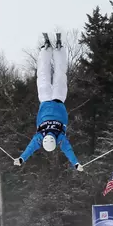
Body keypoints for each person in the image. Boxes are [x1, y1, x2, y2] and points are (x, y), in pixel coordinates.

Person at [14, 33, 82, 171]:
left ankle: (57, 49)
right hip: (45, 99)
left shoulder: (60, 138)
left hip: (58, 98)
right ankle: (46, 50)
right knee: (43, 75)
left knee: (59, 74)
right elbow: (31, 147)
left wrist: (76, 164)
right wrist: (21, 158)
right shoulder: (41, 136)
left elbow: (68, 150)